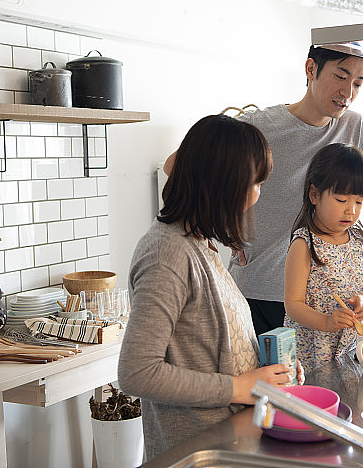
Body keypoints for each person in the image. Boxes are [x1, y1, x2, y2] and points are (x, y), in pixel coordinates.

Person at [164, 44, 363, 335]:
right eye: (341, 76)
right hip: (260, 294)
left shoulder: (355, 127)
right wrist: (219, 230)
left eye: (358, 83)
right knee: (262, 381)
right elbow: (176, 166)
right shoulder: (260, 126)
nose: (348, 93)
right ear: (311, 69)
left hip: (327, 303)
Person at [118, 114, 300, 460]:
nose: (258, 196)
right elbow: (136, 372)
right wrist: (239, 387)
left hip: (228, 441)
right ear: (223, 185)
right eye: (256, 183)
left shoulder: (200, 244)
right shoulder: (167, 254)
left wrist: (271, 371)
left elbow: (215, 349)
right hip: (194, 452)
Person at [284, 143, 363, 371]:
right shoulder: (304, 244)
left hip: (352, 350)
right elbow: (293, 305)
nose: (351, 210)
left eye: (359, 202)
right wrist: (327, 322)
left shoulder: (360, 238)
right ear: (314, 195)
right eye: (341, 200)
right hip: (313, 356)